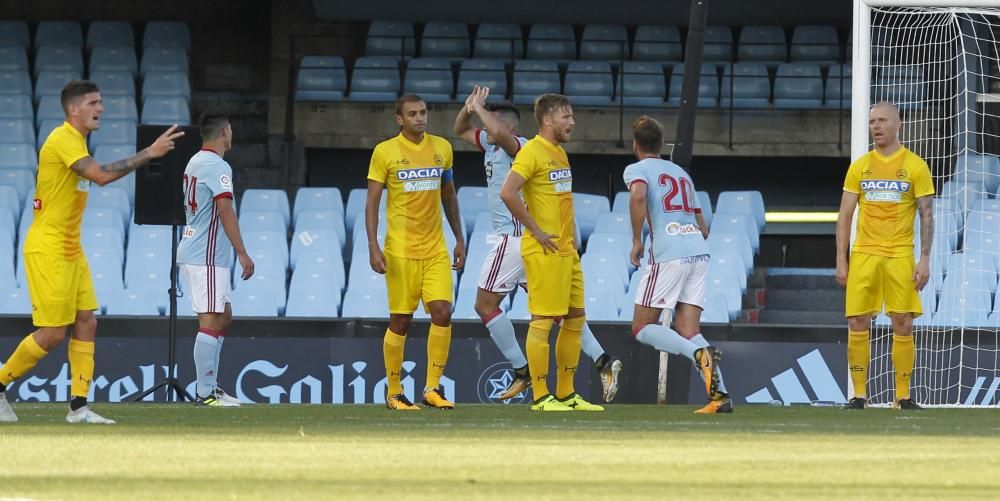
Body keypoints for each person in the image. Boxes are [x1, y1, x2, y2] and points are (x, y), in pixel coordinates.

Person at [0, 80, 183, 424]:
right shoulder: (62, 139)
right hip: (48, 247)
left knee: (87, 321)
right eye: (94, 102)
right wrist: (149, 153)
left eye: (101, 101)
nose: (101, 108)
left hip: (71, 247)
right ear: (74, 109)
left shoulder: (78, 141)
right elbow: (99, 176)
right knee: (53, 334)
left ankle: (78, 408)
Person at [453, 86, 623, 403]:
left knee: (485, 305)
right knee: (560, 312)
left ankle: (523, 372)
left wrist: (482, 111)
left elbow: (500, 140)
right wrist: (470, 107)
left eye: (492, 125)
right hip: (531, 243)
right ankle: (602, 360)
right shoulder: (491, 146)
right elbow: (460, 129)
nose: (487, 131)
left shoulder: (520, 146)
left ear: (509, 127)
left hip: (516, 237)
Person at [499, 93, 603, 412]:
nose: (572, 122)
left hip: (567, 251)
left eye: (572, 116)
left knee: (574, 320)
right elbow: (507, 192)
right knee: (542, 321)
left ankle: (567, 394)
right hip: (543, 250)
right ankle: (542, 397)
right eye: (566, 117)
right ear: (547, 120)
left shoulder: (559, 153)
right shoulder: (531, 151)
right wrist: (536, 230)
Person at [623, 116, 731, 414]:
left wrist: (636, 240)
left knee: (642, 327)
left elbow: (639, 195)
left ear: (636, 144)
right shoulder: (681, 174)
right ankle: (720, 396)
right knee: (687, 328)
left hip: (669, 252)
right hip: (698, 249)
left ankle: (699, 354)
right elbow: (704, 226)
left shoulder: (637, 169)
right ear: (661, 145)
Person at [367, 94, 466, 411]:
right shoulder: (385, 152)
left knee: (443, 312)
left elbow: (448, 194)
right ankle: (394, 391)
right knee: (401, 321)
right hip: (401, 251)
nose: (420, 118)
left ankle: (432, 388)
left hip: (435, 249)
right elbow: (371, 203)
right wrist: (373, 244)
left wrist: (460, 238)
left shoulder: (442, 149)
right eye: (412, 114)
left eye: (423, 112)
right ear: (399, 119)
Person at [836, 101, 934, 411]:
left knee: (903, 322)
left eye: (881, 121)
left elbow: (927, 215)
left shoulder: (916, 166)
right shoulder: (860, 166)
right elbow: (845, 214)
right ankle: (859, 395)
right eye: (872, 122)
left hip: (900, 254)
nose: (876, 127)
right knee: (857, 320)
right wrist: (841, 258)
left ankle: (902, 396)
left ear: (897, 124)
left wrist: (925, 258)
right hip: (864, 253)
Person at [176, 111, 255, 407]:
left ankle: (211, 388)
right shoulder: (216, 165)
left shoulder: (195, 161)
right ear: (224, 132)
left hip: (202, 252)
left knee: (224, 316)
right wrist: (243, 252)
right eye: (230, 129)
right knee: (210, 320)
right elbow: (225, 210)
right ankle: (205, 393)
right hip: (205, 255)